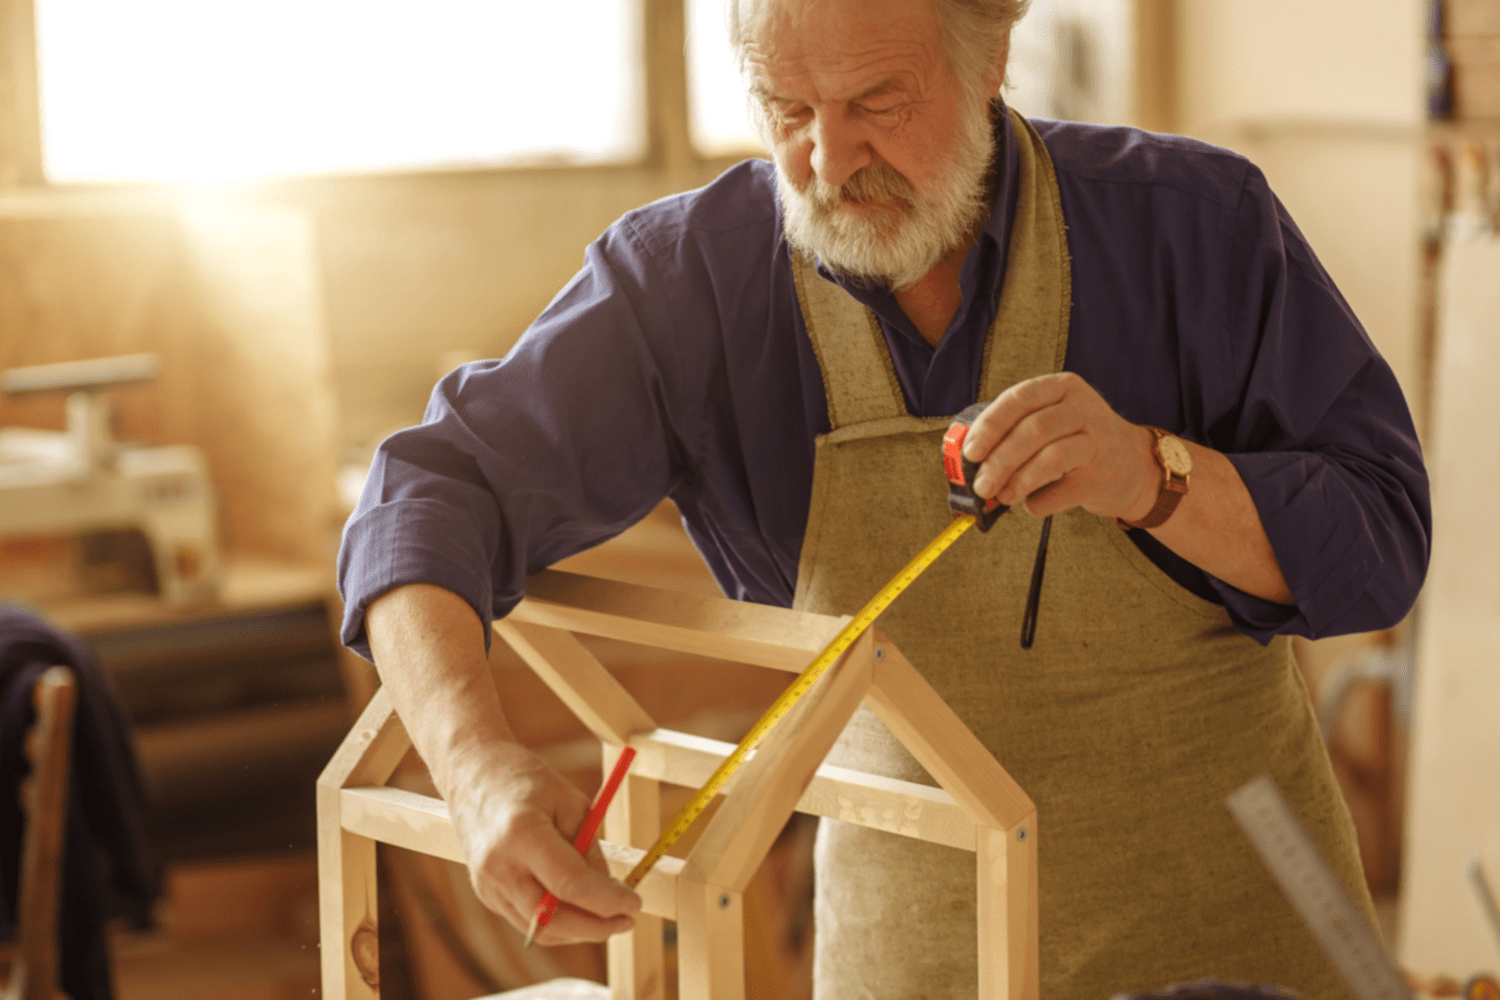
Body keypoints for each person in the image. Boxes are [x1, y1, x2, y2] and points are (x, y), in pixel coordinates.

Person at [338, 0, 1431, 995]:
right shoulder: (693, 282)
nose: (828, 157)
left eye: (876, 104)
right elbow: (427, 492)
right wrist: (476, 773)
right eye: (787, 110)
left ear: (994, 53)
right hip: (919, 951)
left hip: (1240, 937)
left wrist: (1154, 476)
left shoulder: (1196, 226)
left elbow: (1383, 539)